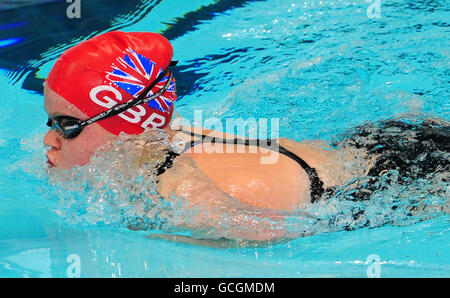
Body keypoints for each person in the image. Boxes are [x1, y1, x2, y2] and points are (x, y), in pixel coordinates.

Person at [44, 31, 449, 242]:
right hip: (372, 144)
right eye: (50, 122)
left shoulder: (185, 187)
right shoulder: (158, 133)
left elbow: (260, 235)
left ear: (124, 127)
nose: (50, 140)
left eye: (65, 125)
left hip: (405, 181)